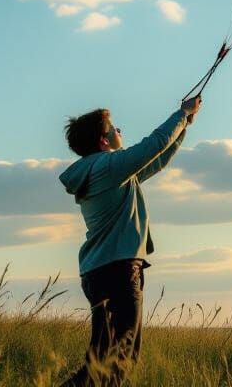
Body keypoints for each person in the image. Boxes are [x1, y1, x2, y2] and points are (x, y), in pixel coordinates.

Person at [58, 95, 202, 386]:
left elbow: (157, 159)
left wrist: (184, 124)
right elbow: (153, 144)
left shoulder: (104, 171)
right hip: (117, 271)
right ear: (103, 140)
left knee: (102, 359)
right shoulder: (108, 167)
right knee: (120, 358)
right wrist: (180, 114)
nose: (119, 132)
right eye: (114, 129)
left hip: (103, 271)